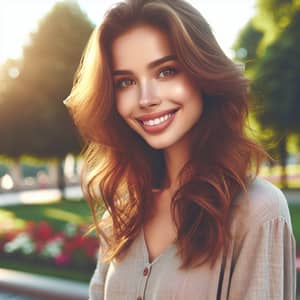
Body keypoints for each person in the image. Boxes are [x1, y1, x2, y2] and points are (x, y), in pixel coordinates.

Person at [65, 0, 296, 299]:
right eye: (126, 81)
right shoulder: (124, 210)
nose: (146, 98)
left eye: (166, 71)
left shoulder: (258, 211)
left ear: (203, 73)